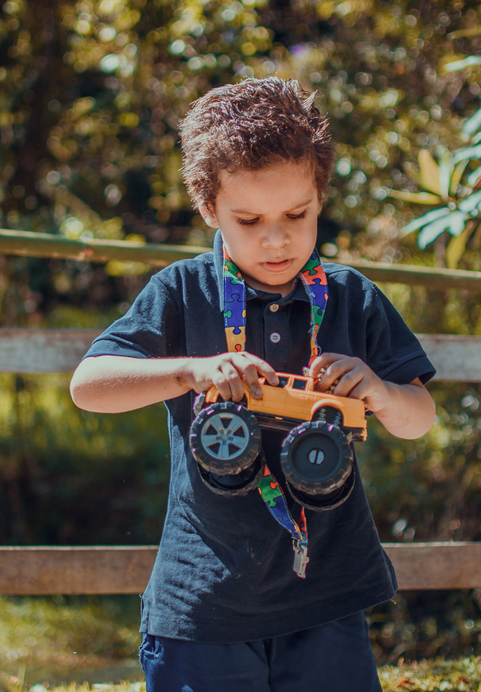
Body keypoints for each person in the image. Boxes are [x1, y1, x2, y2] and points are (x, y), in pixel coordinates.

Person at [69, 77, 436, 692]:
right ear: (210, 210)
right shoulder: (183, 292)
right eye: (249, 219)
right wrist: (190, 371)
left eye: (298, 214)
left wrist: (380, 391)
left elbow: (419, 417)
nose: (276, 239)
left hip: (328, 597)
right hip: (203, 603)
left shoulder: (351, 297)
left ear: (321, 197)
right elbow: (88, 384)